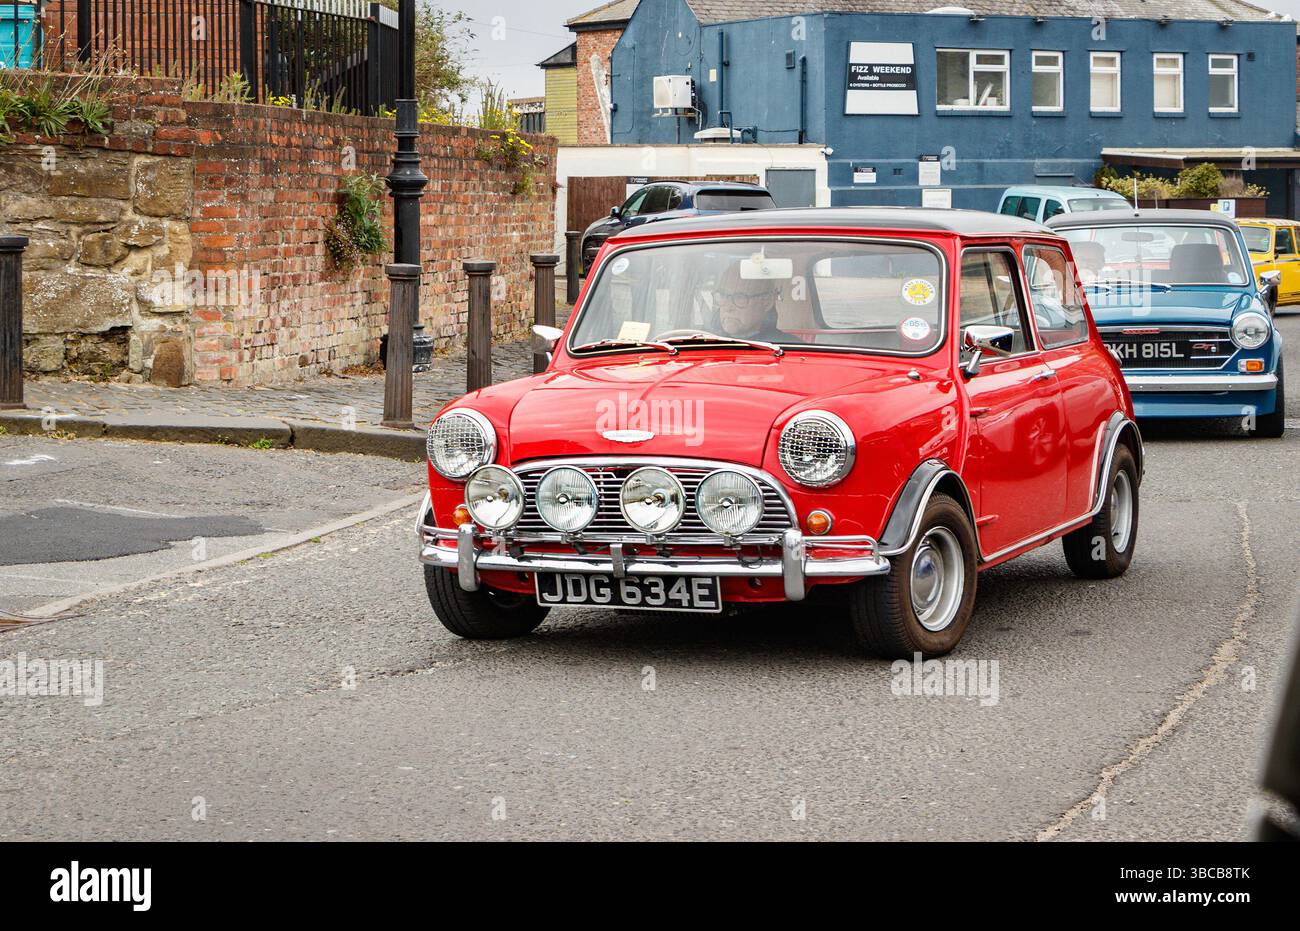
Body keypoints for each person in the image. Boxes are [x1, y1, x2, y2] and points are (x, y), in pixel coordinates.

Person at [713, 263, 791, 343]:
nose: (728, 308)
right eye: (723, 296)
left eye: (740, 297)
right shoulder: (706, 341)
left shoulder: (788, 347)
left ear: (767, 302)